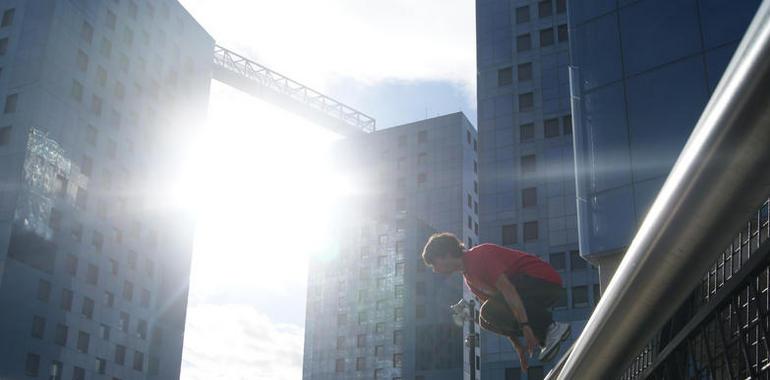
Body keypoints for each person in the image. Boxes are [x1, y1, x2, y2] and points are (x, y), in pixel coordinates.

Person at [421, 232, 570, 370]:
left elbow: (508, 290)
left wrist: (525, 327)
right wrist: (518, 347)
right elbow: (501, 309)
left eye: (435, 263)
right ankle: (546, 332)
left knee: (489, 310)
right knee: (485, 319)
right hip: (529, 294)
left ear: (446, 254)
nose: (435, 269)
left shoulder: (480, 255)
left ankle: (551, 327)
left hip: (543, 280)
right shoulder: (470, 280)